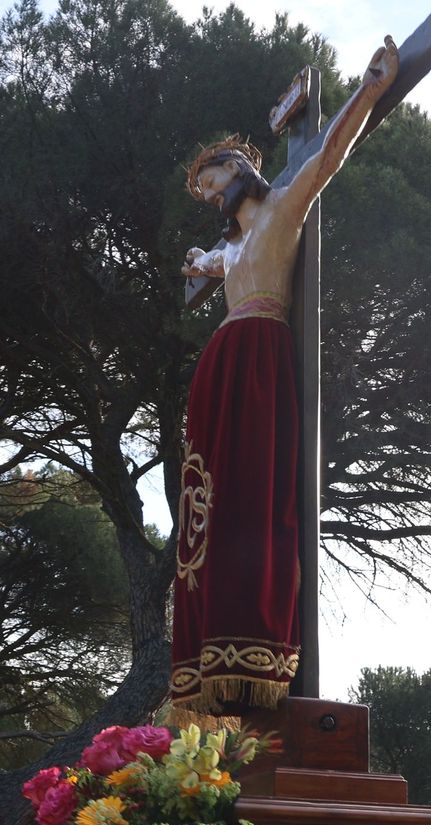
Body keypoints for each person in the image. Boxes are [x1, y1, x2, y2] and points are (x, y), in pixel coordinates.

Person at [171, 34, 400, 715]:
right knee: (204, 513)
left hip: (261, 358)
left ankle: (250, 649)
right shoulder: (232, 246)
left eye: (220, 177)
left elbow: (328, 152)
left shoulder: (280, 210)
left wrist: (370, 90)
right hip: (221, 365)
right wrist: (197, 260)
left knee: (250, 496)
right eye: (208, 190)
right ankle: (205, 652)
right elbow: (208, 264)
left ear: (247, 164)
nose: (216, 194)